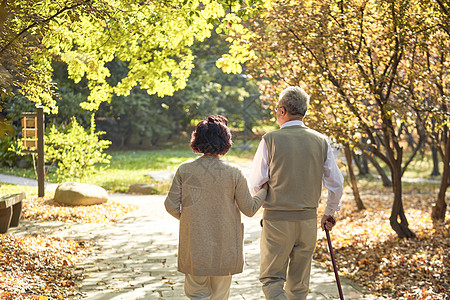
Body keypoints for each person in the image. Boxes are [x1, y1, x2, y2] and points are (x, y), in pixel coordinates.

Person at [249, 86, 344, 300]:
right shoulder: (320, 140)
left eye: (276, 110)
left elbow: (256, 183)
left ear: (282, 111)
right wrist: (330, 212)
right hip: (307, 222)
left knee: (272, 279)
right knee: (299, 284)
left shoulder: (270, 139)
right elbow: (336, 183)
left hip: (277, 221)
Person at [165, 115, 268, 300]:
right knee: (220, 296)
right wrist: (264, 190)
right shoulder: (234, 172)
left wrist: (191, 218)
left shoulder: (185, 169)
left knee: (196, 294)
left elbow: (170, 205)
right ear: (226, 142)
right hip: (225, 246)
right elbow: (250, 209)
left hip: (194, 246)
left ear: (197, 140)